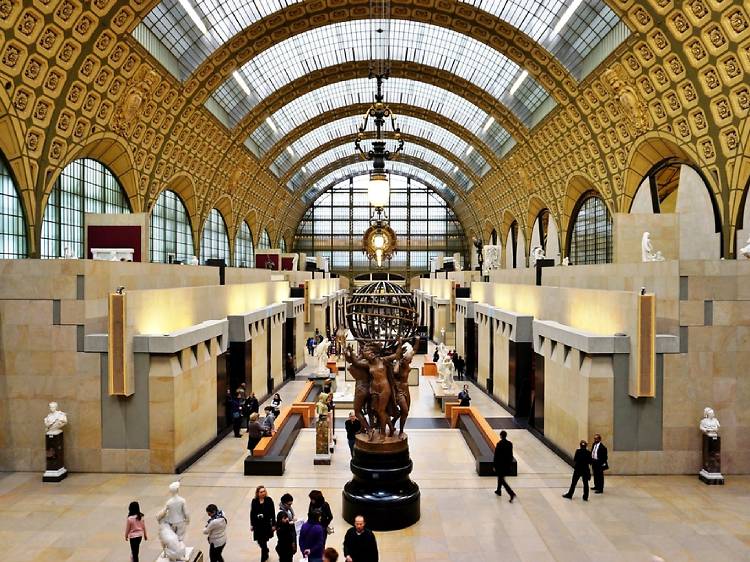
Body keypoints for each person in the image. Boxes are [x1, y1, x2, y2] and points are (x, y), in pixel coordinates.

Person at [250, 485, 276, 562]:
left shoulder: (269, 500)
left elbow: (273, 513)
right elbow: (252, 513)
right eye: (261, 492)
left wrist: (274, 524)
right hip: (257, 525)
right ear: (257, 493)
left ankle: (263, 558)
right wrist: (252, 524)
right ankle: (266, 550)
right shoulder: (254, 501)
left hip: (266, 524)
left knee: (263, 542)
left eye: (264, 491)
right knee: (260, 542)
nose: (263, 493)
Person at [493, 430, 516, 502]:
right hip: (506, 465)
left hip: (500, 465)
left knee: (502, 480)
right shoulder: (510, 444)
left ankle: (511, 493)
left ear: (500, 436)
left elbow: (496, 456)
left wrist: (494, 465)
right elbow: (511, 455)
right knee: (500, 478)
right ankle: (498, 490)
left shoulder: (499, 444)